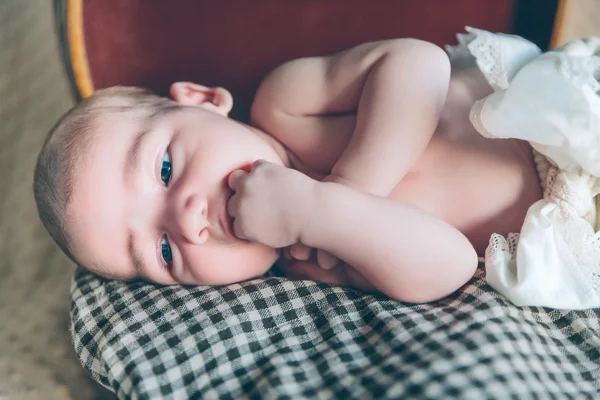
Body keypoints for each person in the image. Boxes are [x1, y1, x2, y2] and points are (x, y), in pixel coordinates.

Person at [33, 28, 600, 308]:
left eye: (163, 168)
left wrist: (354, 186)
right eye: (163, 252)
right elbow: (450, 263)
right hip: (582, 229)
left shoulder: (286, 104)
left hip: (560, 122)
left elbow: (416, 65)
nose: (188, 221)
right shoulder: (313, 259)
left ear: (203, 100)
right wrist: (323, 213)